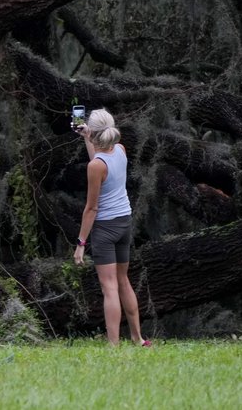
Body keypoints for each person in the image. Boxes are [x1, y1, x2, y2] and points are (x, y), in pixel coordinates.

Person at [73, 108, 151, 347]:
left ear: (96, 132)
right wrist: (88, 137)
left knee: (109, 288)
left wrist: (80, 244)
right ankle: (137, 338)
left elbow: (91, 208)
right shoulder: (120, 150)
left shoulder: (96, 166)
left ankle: (113, 345)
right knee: (123, 280)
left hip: (105, 228)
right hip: (124, 222)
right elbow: (99, 161)